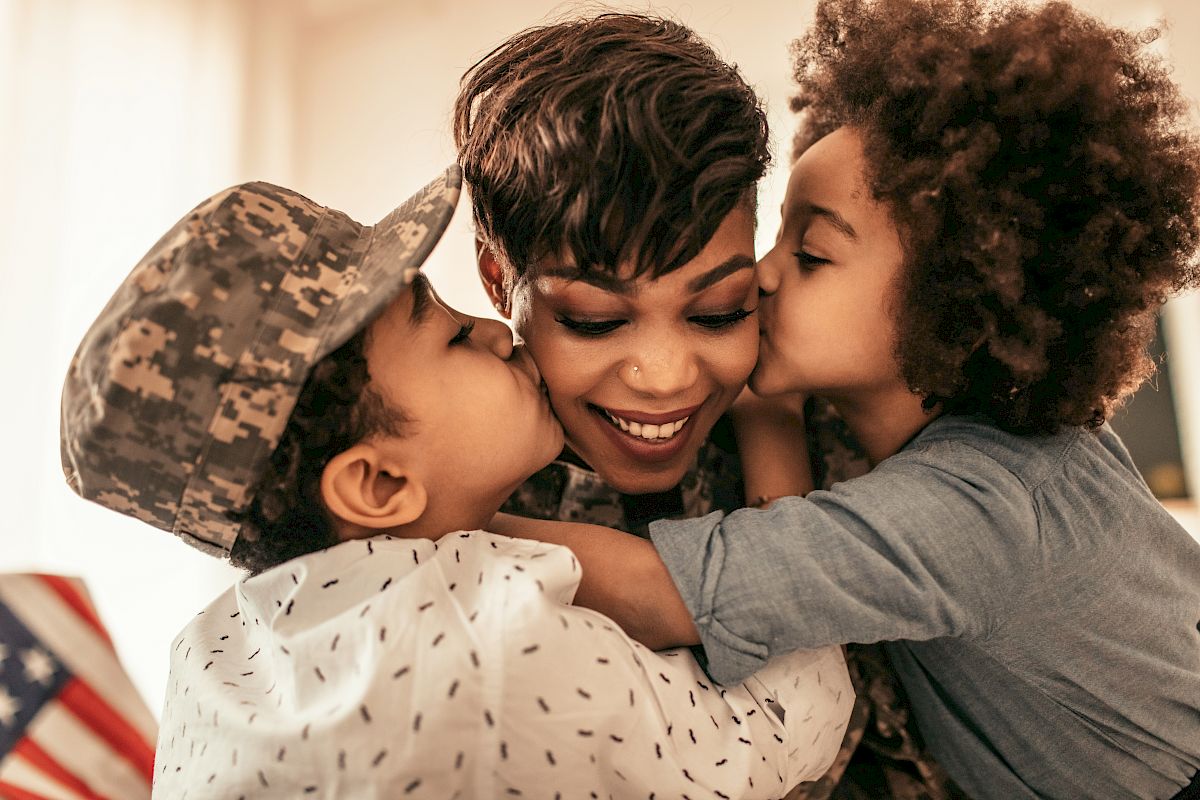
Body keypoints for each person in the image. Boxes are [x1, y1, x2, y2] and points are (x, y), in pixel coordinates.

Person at [493, 1, 1200, 797]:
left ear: (953, 297)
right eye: (777, 234)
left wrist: (436, 517)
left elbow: (663, 592)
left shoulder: (971, 510)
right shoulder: (1002, 441)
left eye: (812, 252)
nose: (762, 273)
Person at [60, 167, 854, 797]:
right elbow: (789, 723)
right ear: (374, 485)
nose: (491, 329)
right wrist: (772, 427)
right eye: (444, 334)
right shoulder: (496, 648)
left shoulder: (210, 655)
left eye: (716, 309)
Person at [455, 16, 921, 795]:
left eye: (719, 312)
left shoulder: (851, 436)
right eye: (596, 321)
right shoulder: (450, 496)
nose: (666, 377)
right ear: (501, 281)